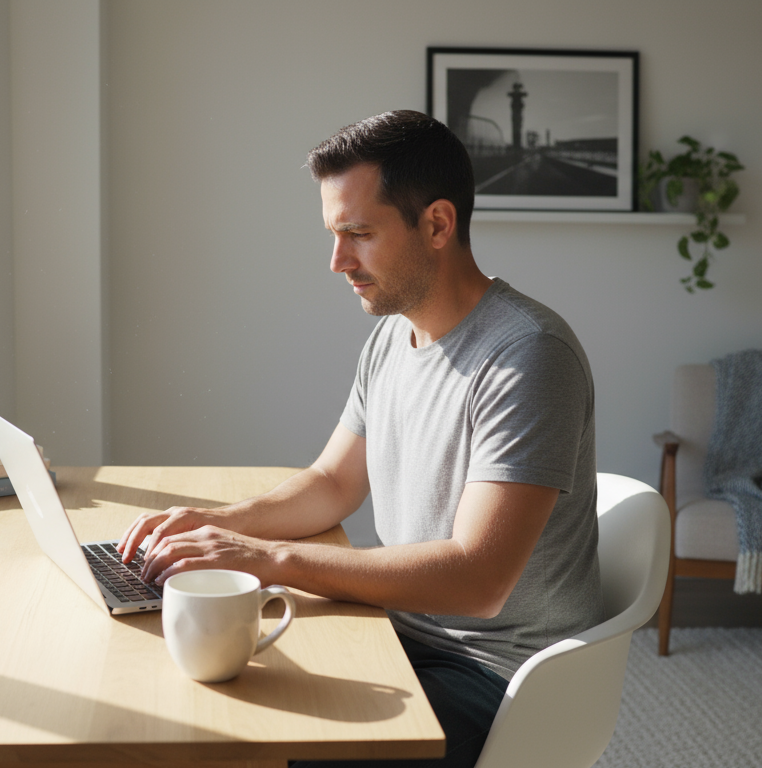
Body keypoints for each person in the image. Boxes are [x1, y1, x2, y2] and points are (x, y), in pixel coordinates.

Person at [117, 110, 600, 768]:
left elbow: (477, 579)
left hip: (491, 680)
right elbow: (333, 483)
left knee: (251, 745)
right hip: (399, 630)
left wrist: (265, 558)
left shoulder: (530, 356)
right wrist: (216, 527)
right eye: (333, 234)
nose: (337, 261)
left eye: (358, 234)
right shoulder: (392, 337)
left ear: (436, 224)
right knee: (184, 699)